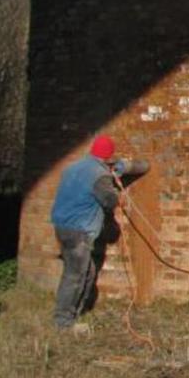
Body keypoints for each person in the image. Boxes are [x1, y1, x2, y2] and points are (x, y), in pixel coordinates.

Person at [49, 135, 126, 332]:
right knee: (75, 275)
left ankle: (73, 315)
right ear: (109, 156)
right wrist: (116, 189)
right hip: (79, 231)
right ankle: (63, 322)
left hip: (61, 226)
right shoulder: (100, 175)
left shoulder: (73, 167)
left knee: (87, 272)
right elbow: (109, 201)